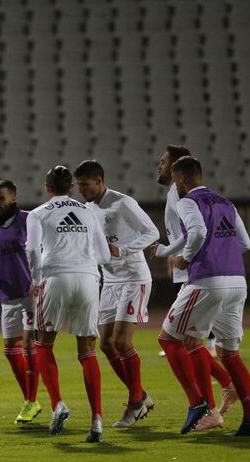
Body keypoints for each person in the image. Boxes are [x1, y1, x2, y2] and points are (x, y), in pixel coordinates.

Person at [157, 156, 250, 437]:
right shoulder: (225, 202)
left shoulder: (187, 202)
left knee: (168, 339)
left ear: (180, 179)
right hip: (237, 281)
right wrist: (222, 254)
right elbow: (245, 243)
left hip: (207, 281)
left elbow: (198, 232)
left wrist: (185, 259)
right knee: (227, 352)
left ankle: (200, 403)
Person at [151, 145, 238, 430]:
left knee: (182, 341)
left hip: (196, 275)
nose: (159, 167)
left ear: (178, 171)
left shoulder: (182, 194)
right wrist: (169, 253)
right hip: (198, 272)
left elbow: (196, 232)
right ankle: (225, 387)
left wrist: (183, 257)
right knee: (190, 342)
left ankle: (209, 403)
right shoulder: (176, 194)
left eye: (164, 162)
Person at [26, 166, 112, 443]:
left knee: (43, 342)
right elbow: (104, 254)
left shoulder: (38, 214)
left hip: (56, 276)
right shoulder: (88, 211)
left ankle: (57, 403)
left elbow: (31, 250)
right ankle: (97, 419)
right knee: (87, 351)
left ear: (47, 187)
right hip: (88, 278)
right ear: (72, 187)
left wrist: (37, 278)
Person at [73, 160, 159, 428]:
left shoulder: (123, 203)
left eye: (84, 185)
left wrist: (122, 250)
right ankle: (141, 395)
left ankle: (135, 404)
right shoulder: (87, 209)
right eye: (77, 186)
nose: (81, 190)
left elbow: (152, 232)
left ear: (98, 181)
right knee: (106, 344)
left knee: (122, 342)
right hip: (109, 280)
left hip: (133, 277)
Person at [0, 180, 40, 424]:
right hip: (7, 295)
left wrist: (41, 279)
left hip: (30, 294)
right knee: (9, 350)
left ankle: (32, 400)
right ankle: (31, 399)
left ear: (13, 198)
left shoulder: (30, 220)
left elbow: (42, 250)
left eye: (1, 198)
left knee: (28, 344)